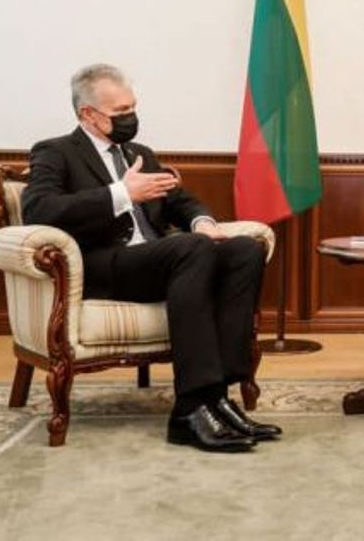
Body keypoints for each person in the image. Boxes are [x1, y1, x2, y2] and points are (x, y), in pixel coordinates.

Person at [22, 64, 281, 452]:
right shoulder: (55, 152)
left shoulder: (139, 154)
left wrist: (203, 222)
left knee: (244, 249)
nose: (131, 117)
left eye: (133, 107)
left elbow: (179, 200)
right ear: (87, 114)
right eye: (120, 112)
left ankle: (218, 398)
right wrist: (121, 194)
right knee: (190, 249)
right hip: (105, 266)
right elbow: (39, 209)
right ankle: (189, 410)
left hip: (163, 263)